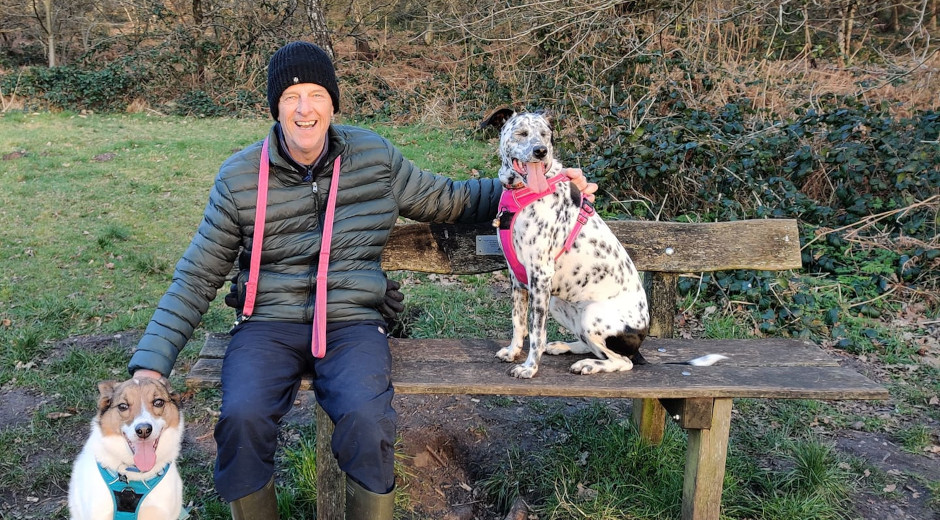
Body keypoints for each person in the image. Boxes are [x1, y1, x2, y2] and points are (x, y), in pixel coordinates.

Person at [127, 40, 596, 520]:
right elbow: (197, 274)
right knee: (241, 420)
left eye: (315, 94)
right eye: (291, 98)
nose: (304, 109)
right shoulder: (240, 177)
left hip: (351, 322)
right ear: (276, 107)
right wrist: (150, 364)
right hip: (267, 321)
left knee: (368, 421)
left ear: (332, 101)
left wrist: (546, 183)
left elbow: (450, 199)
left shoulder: (373, 156)